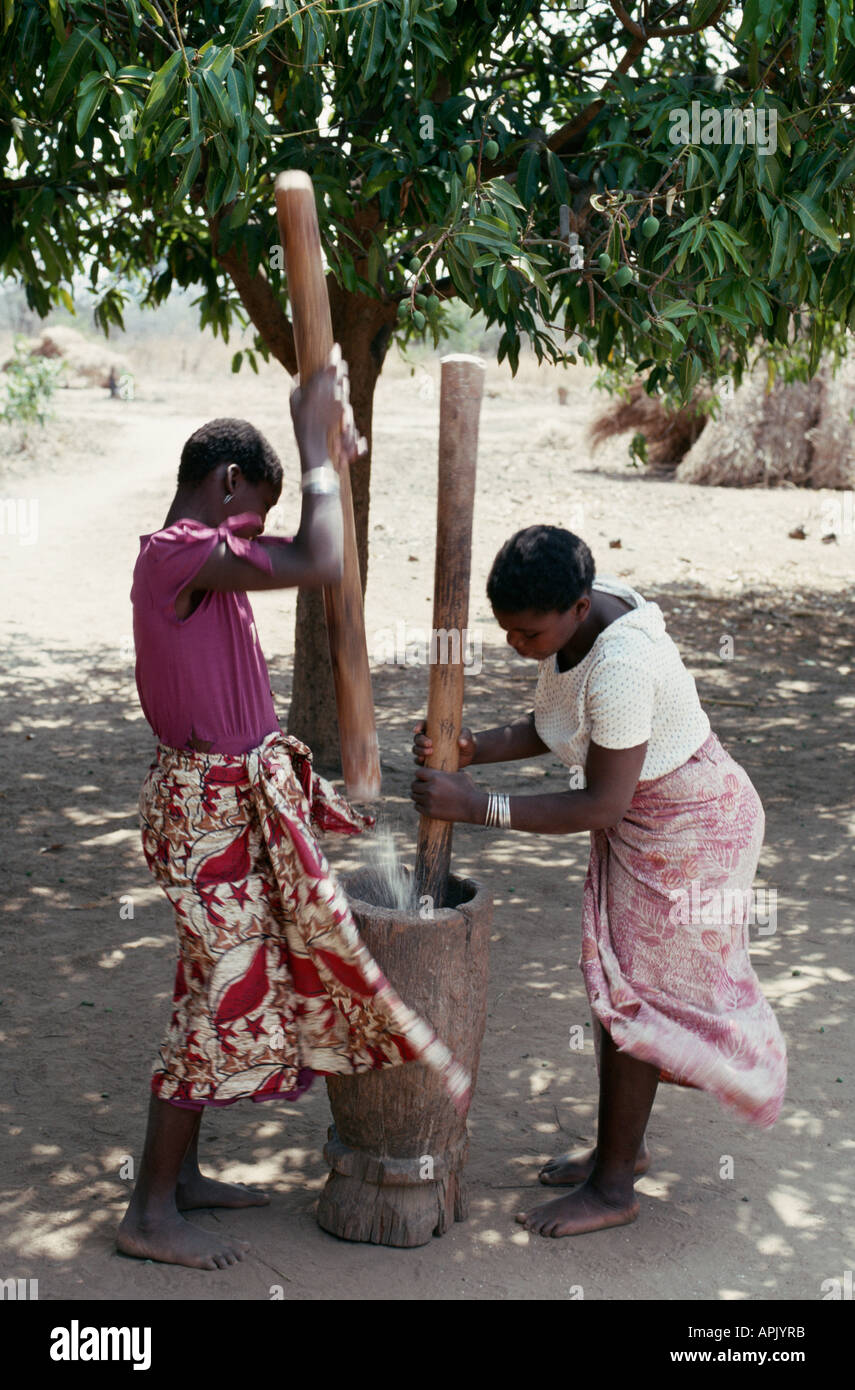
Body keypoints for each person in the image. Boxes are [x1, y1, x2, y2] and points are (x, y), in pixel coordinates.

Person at [119, 347, 467, 1270]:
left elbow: (310, 551)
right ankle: (148, 1213)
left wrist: (326, 459)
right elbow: (320, 555)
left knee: (209, 984)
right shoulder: (177, 556)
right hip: (205, 815)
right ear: (227, 481)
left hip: (226, 806)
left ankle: (180, 1178)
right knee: (217, 1002)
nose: (256, 536)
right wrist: (317, 451)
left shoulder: (201, 564)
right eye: (255, 513)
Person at [411, 524, 786, 1239]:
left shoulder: (622, 664)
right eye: (508, 632)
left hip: (691, 832)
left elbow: (598, 803)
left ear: (578, 607)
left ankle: (612, 1186)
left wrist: (475, 804)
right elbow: (561, 721)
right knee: (619, 994)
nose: (518, 646)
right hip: (647, 823)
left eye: (528, 633)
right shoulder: (582, 621)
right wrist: (474, 749)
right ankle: (622, 1148)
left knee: (636, 1004)